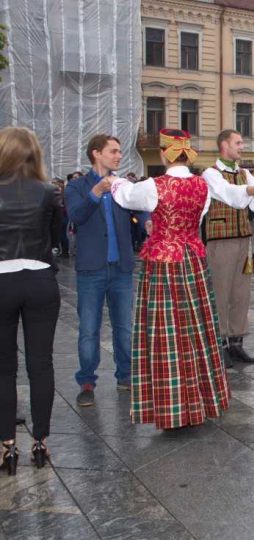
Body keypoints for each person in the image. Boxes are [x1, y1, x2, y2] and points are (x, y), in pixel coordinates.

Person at [109, 129, 230, 429]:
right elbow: (200, 215)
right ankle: (202, 399)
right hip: (193, 260)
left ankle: (173, 406)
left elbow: (125, 197)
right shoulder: (202, 185)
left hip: (164, 263)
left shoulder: (154, 185)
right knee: (197, 329)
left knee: (166, 332)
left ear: (164, 153)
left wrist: (115, 180)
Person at [0, 128, 61, 475]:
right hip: (39, 279)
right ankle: (40, 441)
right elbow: (56, 238)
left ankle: (7, 445)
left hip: (1, 280)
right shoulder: (47, 191)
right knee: (41, 364)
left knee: (3, 368)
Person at [65, 135, 140, 407]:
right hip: (91, 270)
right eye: (113, 151)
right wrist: (96, 193)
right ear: (96, 154)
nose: (119, 156)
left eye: (120, 151)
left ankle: (126, 376)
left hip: (121, 268)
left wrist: (149, 221)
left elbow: (139, 210)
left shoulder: (124, 185)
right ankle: (86, 381)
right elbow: (76, 215)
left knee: (124, 327)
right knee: (88, 329)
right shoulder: (75, 187)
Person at [201, 129, 254, 368]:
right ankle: (220, 345)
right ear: (224, 145)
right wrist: (251, 191)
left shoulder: (244, 172)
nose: (242, 146)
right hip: (221, 240)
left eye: (242, 142)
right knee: (220, 292)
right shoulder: (210, 173)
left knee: (242, 293)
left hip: (244, 239)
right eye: (238, 143)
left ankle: (236, 342)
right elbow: (230, 196)